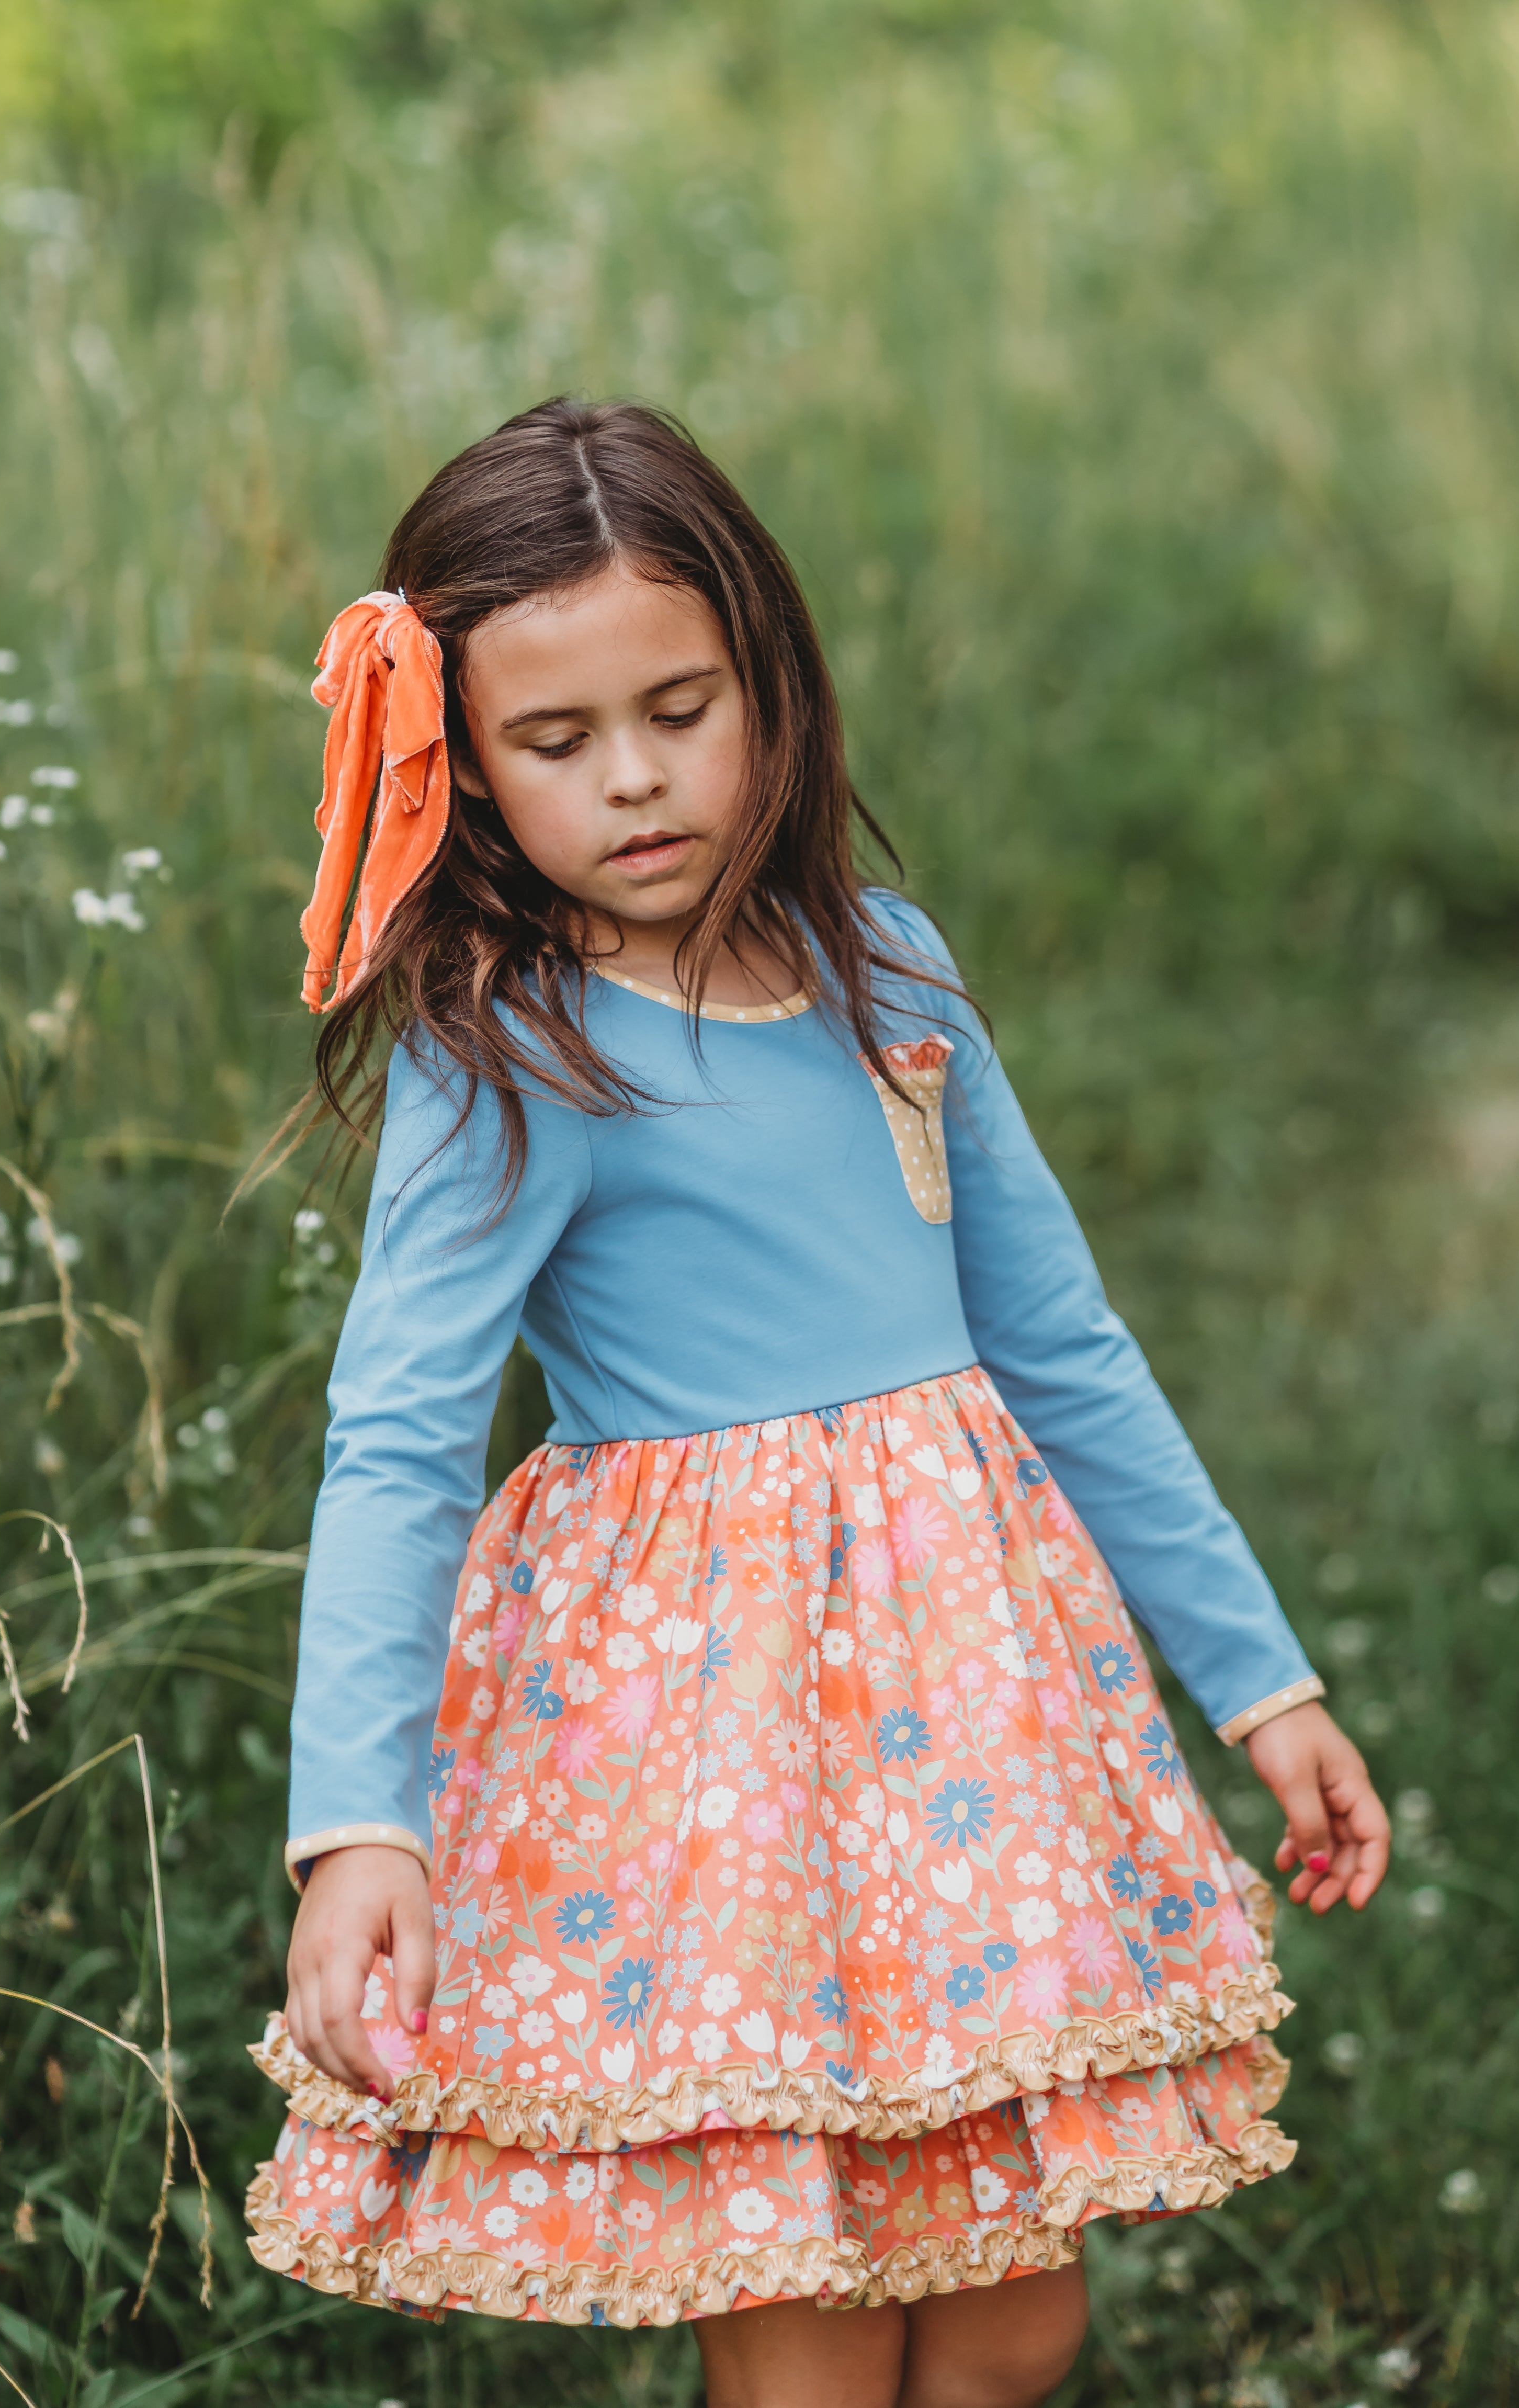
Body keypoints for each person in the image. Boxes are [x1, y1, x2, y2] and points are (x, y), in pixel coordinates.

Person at [241, 397, 1390, 2406]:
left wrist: (1264, 1684)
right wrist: (361, 1822)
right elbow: (402, 1439)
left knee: (1019, 2311)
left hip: (978, 1732)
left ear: (768, 677)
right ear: (463, 758)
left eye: (680, 709)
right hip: (711, 1772)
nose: (635, 781)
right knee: (808, 2321)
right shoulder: (510, 1050)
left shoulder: (894, 976)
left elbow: (1064, 1348)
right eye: (555, 739)